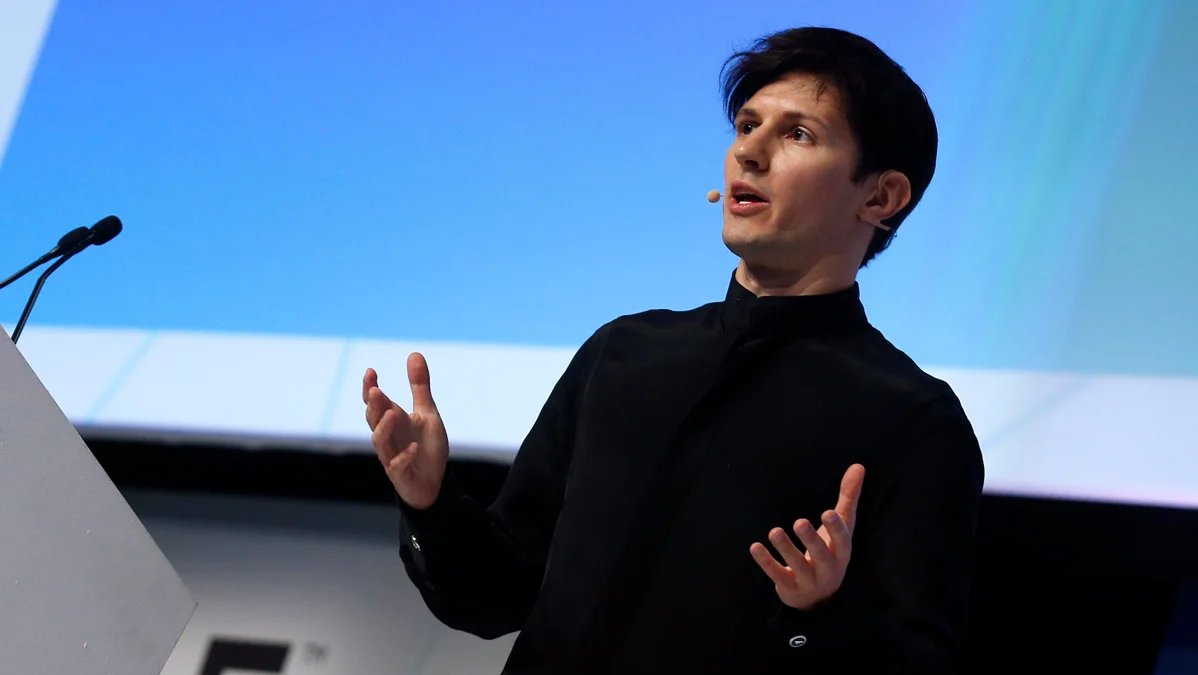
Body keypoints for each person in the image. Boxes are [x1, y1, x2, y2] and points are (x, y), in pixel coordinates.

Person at [363, 26, 984, 674]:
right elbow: (493, 600)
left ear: (881, 196)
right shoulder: (624, 353)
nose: (749, 153)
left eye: (797, 134)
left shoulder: (913, 420)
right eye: (747, 126)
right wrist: (431, 504)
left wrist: (818, 617)